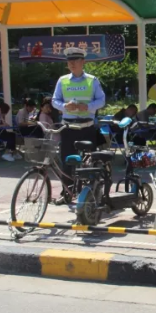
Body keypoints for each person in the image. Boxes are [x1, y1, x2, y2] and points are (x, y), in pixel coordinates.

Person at [52, 47, 106, 201]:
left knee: (90, 162)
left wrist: (88, 107)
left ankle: (92, 194)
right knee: (67, 162)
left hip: (86, 127)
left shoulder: (92, 80)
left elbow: (101, 100)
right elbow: (55, 100)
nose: (72, 64)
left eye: (75, 60)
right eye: (69, 61)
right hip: (68, 127)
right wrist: (64, 107)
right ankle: (67, 194)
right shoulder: (62, 80)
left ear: (83, 62)